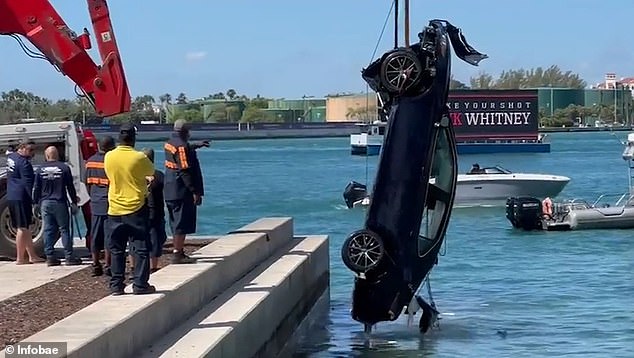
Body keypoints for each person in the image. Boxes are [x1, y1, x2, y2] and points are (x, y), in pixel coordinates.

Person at [103, 123, 156, 295]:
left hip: (114, 209)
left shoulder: (109, 157)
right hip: (135, 207)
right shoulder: (139, 157)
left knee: (117, 248)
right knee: (139, 248)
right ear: (133, 139)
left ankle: (116, 285)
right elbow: (150, 172)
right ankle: (140, 284)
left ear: (119, 138)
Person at [32, 146, 82, 266]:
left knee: (48, 230)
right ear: (57, 155)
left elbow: (36, 188)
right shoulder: (64, 168)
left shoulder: (40, 169)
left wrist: (35, 203)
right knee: (64, 229)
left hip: (45, 203)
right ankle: (69, 256)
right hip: (59, 202)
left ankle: (50, 256)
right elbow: (70, 186)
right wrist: (74, 202)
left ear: (46, 155)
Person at [163, 119, 204, 264]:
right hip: (180, 189)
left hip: (169, 188)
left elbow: (180, 154)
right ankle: (178, 253)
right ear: (185, 131)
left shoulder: (170, 142)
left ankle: (177, 251)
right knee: (181, 221)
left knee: (175, 221)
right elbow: (184, 170)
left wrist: (194, 147)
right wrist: (194, 191)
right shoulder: (181, 146)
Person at [6, 139, 44, 264]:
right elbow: (29, 185)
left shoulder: (12, 157)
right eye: (30, 150)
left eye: (34, 150)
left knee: (25, 227)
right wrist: (35, 201)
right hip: (21, 197)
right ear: (22, 147)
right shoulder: (24, 164)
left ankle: (32, 255)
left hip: (12, 195)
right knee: (22, 228)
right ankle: (20, 258)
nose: (32, 153)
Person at [85, 135, 116, 276]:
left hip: (96, 202)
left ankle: (95, 264)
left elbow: (87, 183)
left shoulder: (90, 162)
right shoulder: (112, 162)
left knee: (95, 235)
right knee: (109, 236)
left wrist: (92, 197)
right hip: (110, 202)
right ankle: (108, 265)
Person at [142, 148, 167, 273]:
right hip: (156, 212)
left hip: (141, 211)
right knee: (156, 239)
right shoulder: (159, 175)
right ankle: (153, 266)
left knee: (138, 240)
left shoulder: (137, 175)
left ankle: (133, 267)